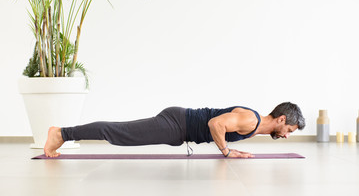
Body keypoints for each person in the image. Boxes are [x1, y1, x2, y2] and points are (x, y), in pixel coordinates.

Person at [44, 102, 305, 158]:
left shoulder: (254, 123)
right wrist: (226, 151)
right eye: (290, 130)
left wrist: (229, 147)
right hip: (177, 124)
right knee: (120, 133)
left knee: (121, 134)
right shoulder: (252, 120)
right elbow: (215, 124)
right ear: (281, 120)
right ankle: (62, 134)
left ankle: (63, 133)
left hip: (180, 126)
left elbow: (220, 125)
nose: (286, 136)